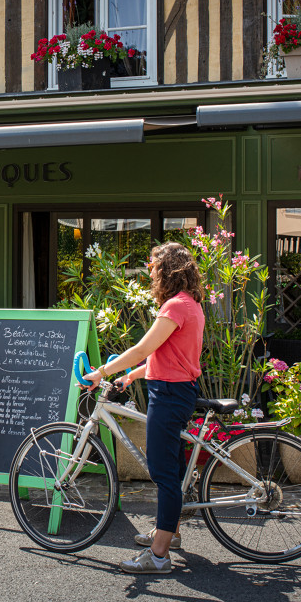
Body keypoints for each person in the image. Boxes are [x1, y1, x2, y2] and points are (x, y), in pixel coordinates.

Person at [82, 241, 204, 574]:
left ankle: (159, 556)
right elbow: (167, 355)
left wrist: (101, 372)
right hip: (177, 390)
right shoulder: (189, 304)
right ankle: (171, 533)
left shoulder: (175, 307)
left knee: (163, 473)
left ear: (166, 270)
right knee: (174, 472)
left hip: (168, 395)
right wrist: (132, 376)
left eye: (153, 265)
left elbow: (141, 348)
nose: (149, 271)